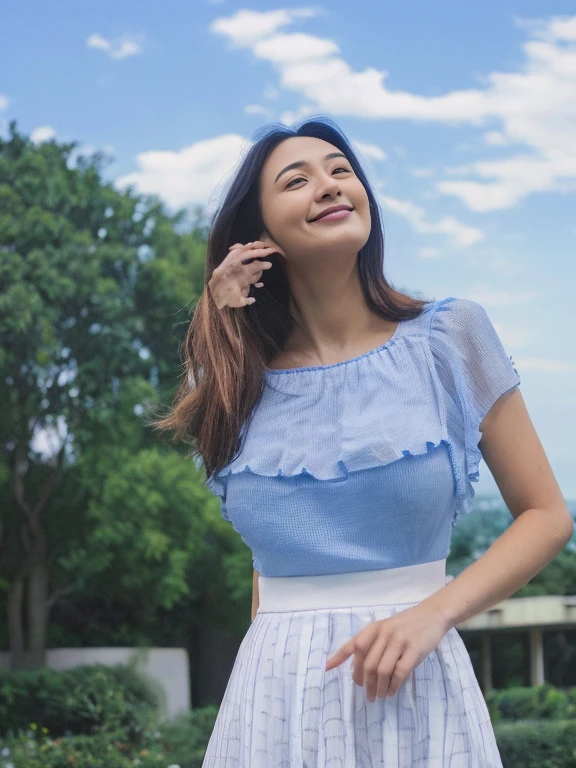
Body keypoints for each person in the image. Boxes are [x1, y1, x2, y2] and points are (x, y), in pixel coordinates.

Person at [154, 115, 574, 767]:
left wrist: (434, 613)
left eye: (341, 171)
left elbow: (548, 515)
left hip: (420, 685)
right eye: (298, 180)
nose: (328, 185)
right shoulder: (233, 380)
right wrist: (216, 313)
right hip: (276, 700)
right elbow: (266, 566)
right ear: (257, 234)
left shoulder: (452, 336)